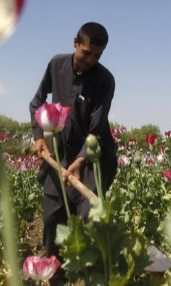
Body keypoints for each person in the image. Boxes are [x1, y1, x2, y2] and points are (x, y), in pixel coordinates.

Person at [29, 22, 118, 285]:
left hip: (92, 159)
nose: (90, 60)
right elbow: (36, 102)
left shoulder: (105, 80)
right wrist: (38, 137)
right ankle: (55, 279)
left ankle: (88, 278)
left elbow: (96, 129)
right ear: (75, 42)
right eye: (86, 52)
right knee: (52, 221)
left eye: (97, 56)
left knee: (84, 226)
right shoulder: (56, 65)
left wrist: (80, 161)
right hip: (58, 156)